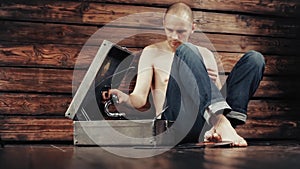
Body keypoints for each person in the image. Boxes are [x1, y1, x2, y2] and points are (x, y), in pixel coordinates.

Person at [105, 2, 265, 147]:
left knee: (254, 59)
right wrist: (125, 98)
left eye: (181, 31)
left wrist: (205, 80)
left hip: (205, 122)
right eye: (170, 30)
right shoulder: (151, 52)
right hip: (175, 124)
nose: (174, 37)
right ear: (164, 25)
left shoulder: (205, 54)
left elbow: (217, 99)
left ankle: (218, 129)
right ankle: (222, 125)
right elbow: (139, 99)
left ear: (192, 28)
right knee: (185, 49)